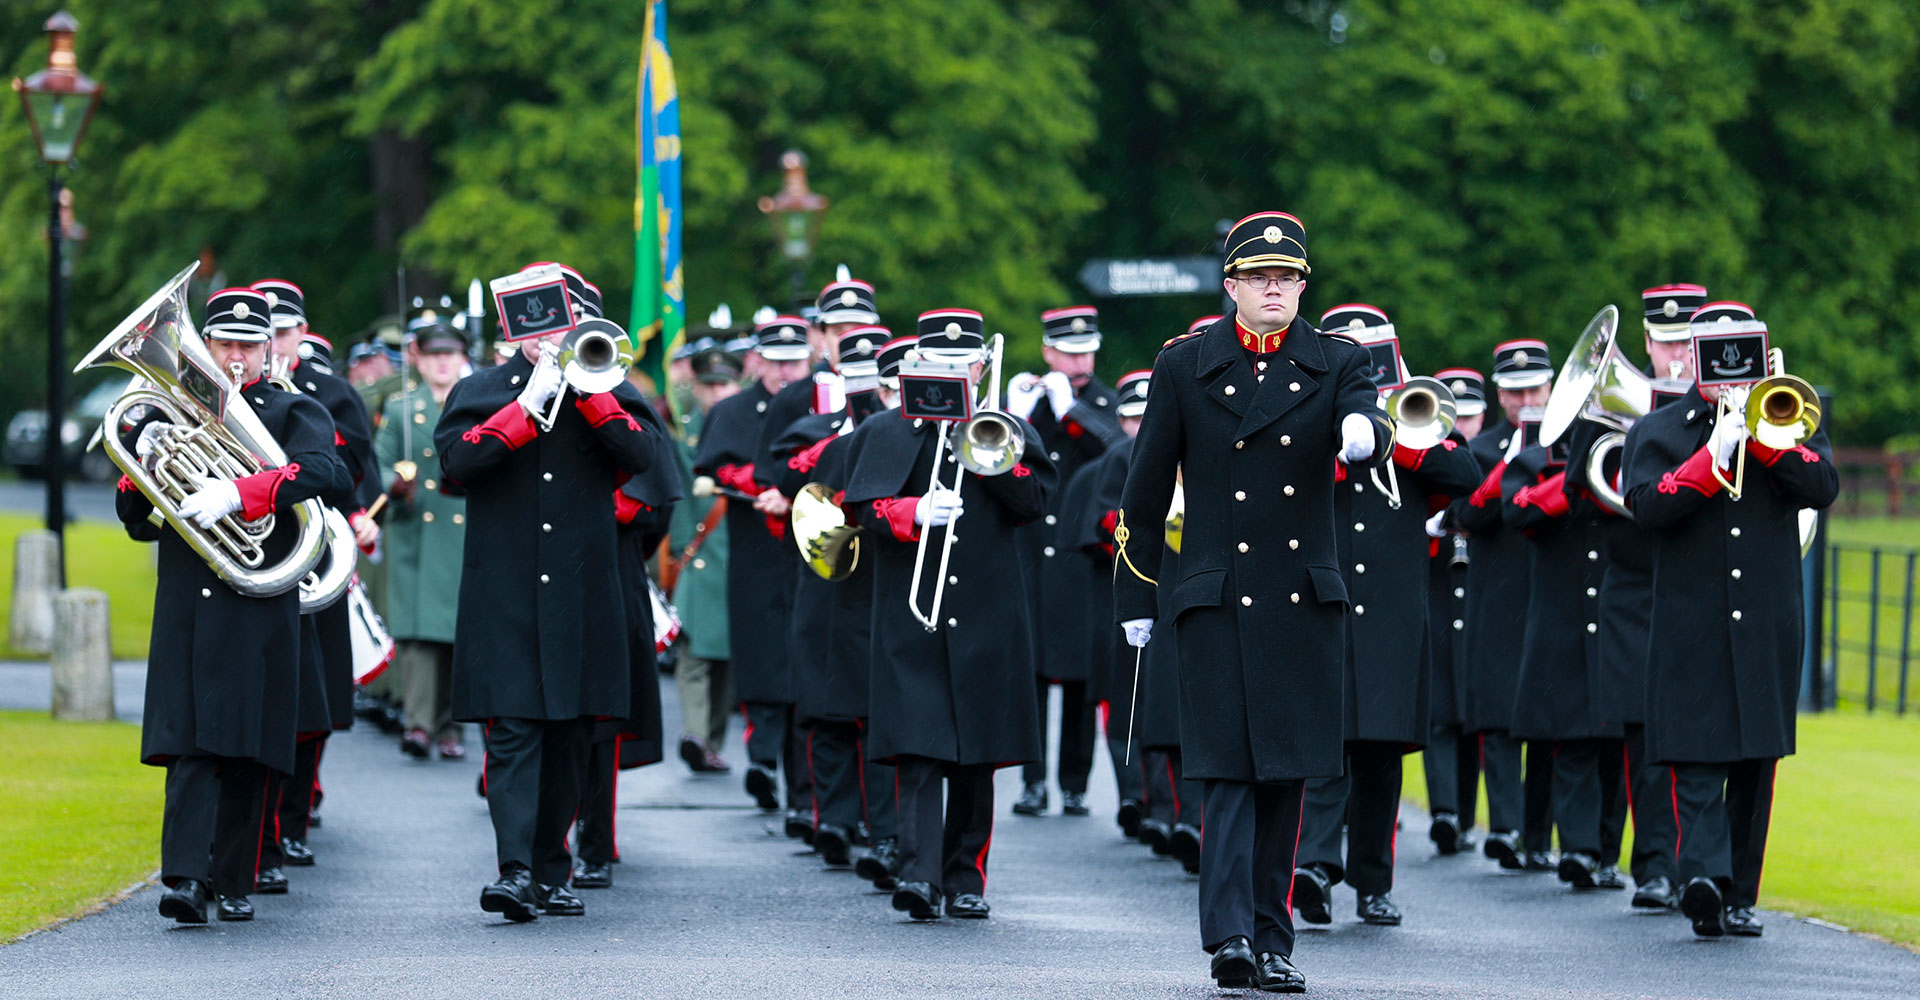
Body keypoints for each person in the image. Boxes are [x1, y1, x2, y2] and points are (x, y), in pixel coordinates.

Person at [1113, 212, 1386, 992]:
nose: (1276, 288)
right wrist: (1135, 596)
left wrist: (1369, 432)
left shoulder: (1337, 361)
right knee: (1228, 774)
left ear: (1304, 286)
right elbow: (1142, 494)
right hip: (1218, 597)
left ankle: (1275, 939)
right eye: (1261, 276)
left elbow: (1363, 415)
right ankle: (1232, 935)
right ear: (1231, 286)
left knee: (1286, 778)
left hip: (1302, 598)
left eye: (1290, 277)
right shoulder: (1184, 365)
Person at [117, 285, 346, 923]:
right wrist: (143, 466)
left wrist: (239, 494)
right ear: (209, 347)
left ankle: (233, 879)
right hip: (192, 598)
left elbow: (325, 472)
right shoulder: (173, 409)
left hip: (259, 592)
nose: (238, 356)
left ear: (271, 347)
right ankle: (185, 880)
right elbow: (136, 520)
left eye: (250, 344)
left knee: (249, 744)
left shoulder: (293, 409)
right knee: (191, 744)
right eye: (226, 344)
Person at [434, 299, 656, 922]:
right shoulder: (480, 390)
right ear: (513, 333)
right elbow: (455, 463)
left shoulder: (608, 382)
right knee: (513, 729)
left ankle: (552, 869)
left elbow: (644, 460)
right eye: (536, 330)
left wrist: (591, 395)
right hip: (504, 588)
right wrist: (523, 408)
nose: (549, 339)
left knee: (570, 732)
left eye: (559, 328)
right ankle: (515, 870)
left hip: (582, 589)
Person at [1622, 301, 1836, 938]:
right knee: (1695, 757)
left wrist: (1764, 438)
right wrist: (1711, 458)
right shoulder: (1658, 431)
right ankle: (1703, 879)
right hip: (1692, 623)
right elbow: (1647, 510)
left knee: (1754, 764)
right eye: (1715, 353)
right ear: (1691, 357)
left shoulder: (1788, 417)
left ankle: (1740, 893)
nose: (1729, 366)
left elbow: (1822, 485)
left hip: (1764, 624)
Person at [841, 309, 1056, 921]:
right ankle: (918, 875)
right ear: (916, 367)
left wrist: (994, 454)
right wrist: (911, 511)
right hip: (915, 615)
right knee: (919, 750)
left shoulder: (1005, 428)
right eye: (939, 366)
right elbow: (860, 512)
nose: (952, 376)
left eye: (963, 366)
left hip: (986, 615)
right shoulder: (886, 429)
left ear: (981, 367)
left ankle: (967, 879)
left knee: (976, 757)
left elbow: (1037, 501)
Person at [1293, 306, 1482, 928]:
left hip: (1395, 618)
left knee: (1379, 755)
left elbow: (1466, 476)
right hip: (1327, 608)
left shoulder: (1415, 424)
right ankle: (1316, 867)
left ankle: (1374, 883)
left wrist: (1394, 435)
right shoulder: (1311, 408)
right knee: (1325, 748)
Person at [252, 278, 380, 877]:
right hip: (252, 547)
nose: (272, 343)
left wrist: (360, 515)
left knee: (313, 696)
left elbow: (356, 470)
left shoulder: (330, 393)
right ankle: (257, 835)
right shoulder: (232, 392)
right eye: (263, 333)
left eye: (281, 332)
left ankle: (293, 821)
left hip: (317, 553)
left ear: (302, 333)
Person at [767, 324, 895, 868]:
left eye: (878, 379)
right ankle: (836, 820)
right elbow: (781, 475)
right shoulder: (815, 431)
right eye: (858, 376)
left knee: (881, 713)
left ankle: (882, 827)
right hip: (828, 583)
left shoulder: (901, 433)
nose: (869, 390)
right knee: (828, 707)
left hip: (883, 585)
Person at [1601, 284, 1710, 908]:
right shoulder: (1618, 401)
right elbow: (1586, 482)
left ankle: (1691, 863)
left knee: (1696, 727)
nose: (1673, 355)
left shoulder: (1722, 406)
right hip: (1636, 581)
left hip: (1694, 582)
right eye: (1664, 342)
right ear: (1647, 342)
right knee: (1643, 732)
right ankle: (1654, 867)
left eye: (1683, 343)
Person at [691, 316, 816, 828]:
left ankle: (800, 778)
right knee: (760, 651)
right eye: (775, 360)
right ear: (756, 360)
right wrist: (749, 480)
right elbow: (712, 464)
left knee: (802, 654)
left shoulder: (820, 401)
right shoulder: (735, 409)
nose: (785, 371)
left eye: (794, 360)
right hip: (755, 545)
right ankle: (763, 756)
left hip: (809, 542)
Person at [1005, 306, 1122, 818]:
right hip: (1030, 551)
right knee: (1029, 673)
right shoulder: (1032, 401)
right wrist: (1017, 411)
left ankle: (1074, 782)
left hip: (1078, 555)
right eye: (1068, 351)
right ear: (1048, 352)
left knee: (1079, 675)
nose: (1079, 360)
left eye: (1086, 350)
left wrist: (1073, 410)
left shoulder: (1104, 403)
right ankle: (1032, 782)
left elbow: (1123, 450)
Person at [1446, 340, 1554, 871]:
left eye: (1534, 388)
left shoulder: (1564, 441)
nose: (1526, 399)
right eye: (1514, 391)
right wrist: (1507, 467)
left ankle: (1541, 836)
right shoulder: (1481, 449)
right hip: (1499, 596)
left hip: (1550, 594)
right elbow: (1466, 515)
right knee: (1500, 721)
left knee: (1550, 724)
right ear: (1498, 394)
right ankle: (1506, 827)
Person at [375, 315, 471, 760]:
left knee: (457, 631)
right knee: (416, 634)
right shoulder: (400, 407)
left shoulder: (477, 402)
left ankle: (451, 726)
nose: (442, 363)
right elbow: (379, 463)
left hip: (463, 527)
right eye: (433, 355)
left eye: (449, 354)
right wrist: (395, 482)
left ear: (462, 357)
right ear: (419, 359)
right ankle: (417, 724)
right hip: (416, 526)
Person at [666, 347, 743, 773]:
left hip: (737, 558)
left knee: (726, 658)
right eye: (709, 385)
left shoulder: (751, 426)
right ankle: (694, 734)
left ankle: (711, 741)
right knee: (695, 653)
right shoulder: (683, 436)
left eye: (724, 384)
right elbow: (679, 502)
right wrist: (679, 554)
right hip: (699, 557)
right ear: (695, 387)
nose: (716, 393)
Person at [1422, 368, 1489, 855]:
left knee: (1474, 713)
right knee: (1440, 708)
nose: (1463, 424)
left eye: (1470, 414)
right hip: (1435, 585)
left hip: (1483, 591)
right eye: (1456, 415)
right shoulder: (1434, 455)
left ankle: (1465, 815)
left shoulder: (1488, 459)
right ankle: (1445, 811)